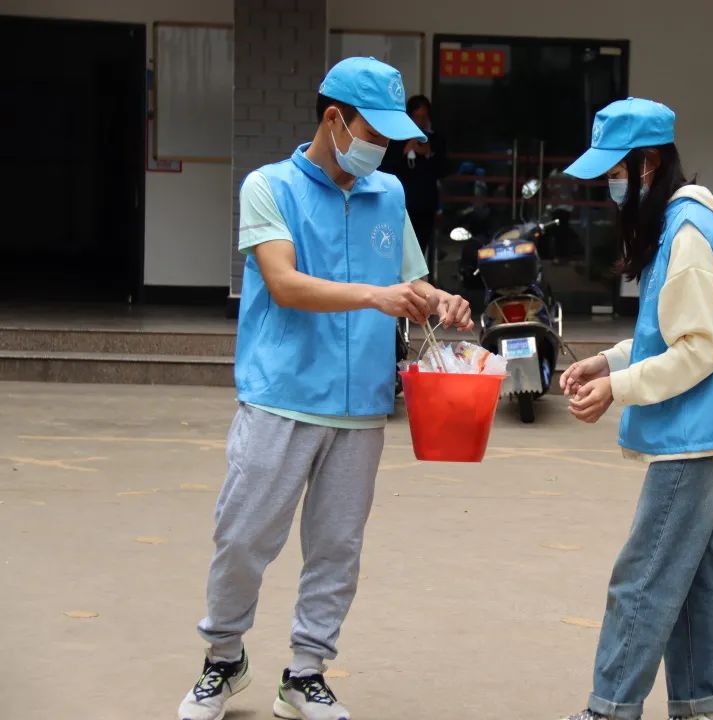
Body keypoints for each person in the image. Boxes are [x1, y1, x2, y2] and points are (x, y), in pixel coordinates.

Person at [176, 57, 472, 720]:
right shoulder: (269, 187)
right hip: (280, 395)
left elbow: (411, 281)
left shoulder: (388, 194)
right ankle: (223, 659)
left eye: (391, 137)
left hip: (361, 404)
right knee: (242, 537)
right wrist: (376, 296)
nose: (383, 148)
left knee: (337, 548)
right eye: (374, 132)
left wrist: (440, 300)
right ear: (334, 118)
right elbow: (283, 283)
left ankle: (305, 672)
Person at [557, 98, 713, 720]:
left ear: (647, 163)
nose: (610, 186)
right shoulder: (682, 223)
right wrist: (609, 362)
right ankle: (705, 709)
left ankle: (609, 710)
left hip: (695, 433)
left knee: (644, 577)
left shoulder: (687, 233)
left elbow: (698, 349)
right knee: (694, 578)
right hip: (711, 429)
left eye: (616, 171)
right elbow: (666, 333)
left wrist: (618, 388)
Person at [380, 94, 447, 260]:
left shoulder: (435, 139)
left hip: (425, 206)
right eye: (417, 117)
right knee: (398, 251)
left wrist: (429, 153)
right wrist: (404, 151)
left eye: (424, 117)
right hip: (401, 205)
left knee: (419, 252)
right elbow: (384, 168)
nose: (420, 122)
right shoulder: (396, 139)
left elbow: (444, 170)